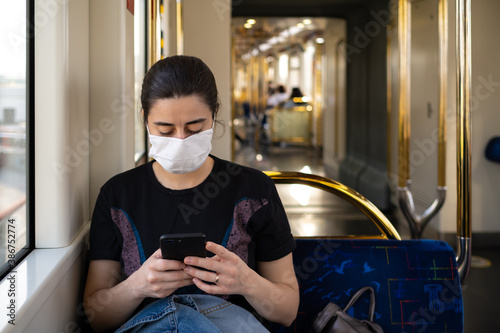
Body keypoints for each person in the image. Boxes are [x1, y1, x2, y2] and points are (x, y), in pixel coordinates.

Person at [83, 55, 299, 333]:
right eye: (165, 130)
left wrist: (246, 282)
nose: (181, 141)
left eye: (195, 128)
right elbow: (97, 317)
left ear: (214, 116)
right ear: (145, 120)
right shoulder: (118, 195)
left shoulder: (254, 190)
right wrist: (137, 286)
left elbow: (288, 311)